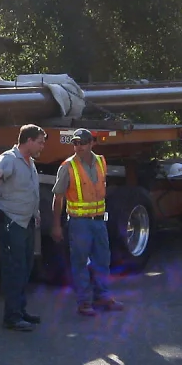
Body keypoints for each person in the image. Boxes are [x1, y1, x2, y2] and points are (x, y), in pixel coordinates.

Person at [51, 129, 123, 317]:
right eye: (75, 143)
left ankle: (103, 296)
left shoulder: (100, 161)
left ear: (92, 143)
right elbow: (58, 198)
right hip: (79, 223)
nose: (78, 146)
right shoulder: (68, 166)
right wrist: (56, 225)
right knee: (80, 262)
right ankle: (84, 302)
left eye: (82, 143)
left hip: (99, 222)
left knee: (102, 260)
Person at [0, 124, 47, 331]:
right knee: (14, 269)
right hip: (12, 221)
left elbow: (31, 191)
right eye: (40, 142)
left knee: (25, 267)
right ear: (29, 141)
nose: (42, 146)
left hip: (27, 221)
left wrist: (36, 214)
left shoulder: (30, 161)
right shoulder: (9, 158)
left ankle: (20, 310)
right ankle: (12, 317)